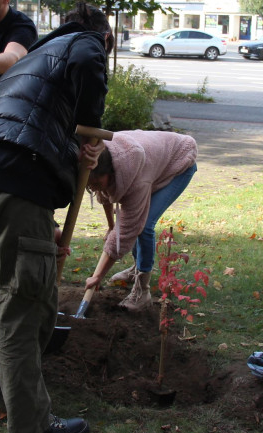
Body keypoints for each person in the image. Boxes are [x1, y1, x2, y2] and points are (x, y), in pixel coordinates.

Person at [0, 1, 111, 433]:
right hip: (18, 172)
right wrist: (91, 132)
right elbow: (86, 66)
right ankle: (32, 426)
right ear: (103, 36)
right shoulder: (86, 43)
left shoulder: (38, 52)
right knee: (25, 300)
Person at [82, 131, 198, 312]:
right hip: (153, 162)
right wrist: (111, 227)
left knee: (144, 225)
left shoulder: (135, 179)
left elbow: (128, 229)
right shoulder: (102, 159)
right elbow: (103, 194)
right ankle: (136, 268)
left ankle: (142, 290)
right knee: (137, 222)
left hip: (179, 161)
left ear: (110, 172)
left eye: (95, 181)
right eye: (90, 184)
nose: (93, 186)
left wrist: (98, 276)